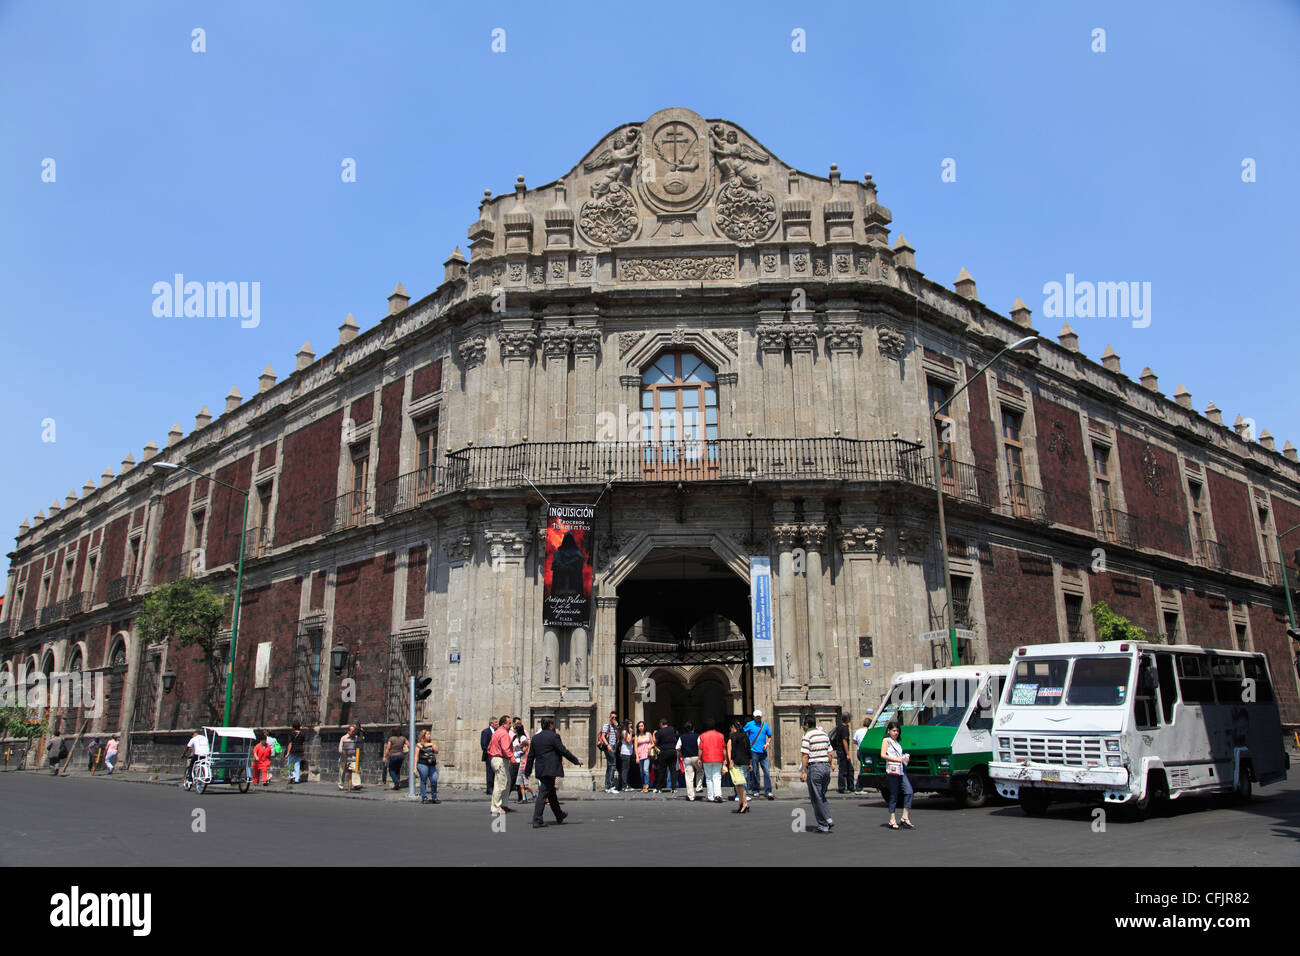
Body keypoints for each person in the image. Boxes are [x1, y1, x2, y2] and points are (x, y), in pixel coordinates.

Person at [524, 717, 581, 828]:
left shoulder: (535, 738)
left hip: (541, 769)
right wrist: (575, 760)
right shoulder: (554, 736)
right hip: (550, 769)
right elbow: (563, 750)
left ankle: (559, 815)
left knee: (551, 793)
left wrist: (527, 771)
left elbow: (530, 756)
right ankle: (537, 820)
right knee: (543, 793)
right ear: (550, 725)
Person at [800, 715, 834, 833]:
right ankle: (828, 818)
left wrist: (803, 771)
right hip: (826, 767)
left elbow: (805, 755)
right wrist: (831, 764)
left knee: (816, 797)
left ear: (807, 725)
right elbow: (830, 753)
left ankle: (823, 824)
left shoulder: (807, 736)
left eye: (803, 725)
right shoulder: (824, 734)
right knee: (822, 794)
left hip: (815, 767)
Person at [882, 721, 914, 829]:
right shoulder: (887, 740)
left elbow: (899, 756)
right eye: (894, 731)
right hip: (892, 771)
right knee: (894, 795)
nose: (895, 733)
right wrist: (896, 759)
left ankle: (905, 816)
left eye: (897, 731)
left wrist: (904, 758)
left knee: (909, 791)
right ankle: (892, 818)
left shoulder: (897, 743)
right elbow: (883, 755)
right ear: (889, 731)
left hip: (901, 770)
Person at [487, 713, 514, 815]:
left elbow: (489, 748)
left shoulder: (496, 732)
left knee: (507, 781)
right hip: (500, 759)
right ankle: (495, 807)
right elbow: (505, 748)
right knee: (500, 783)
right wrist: (512, 757)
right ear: (503, 724)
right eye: (509, 723)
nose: (510, 725)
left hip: (497, 758)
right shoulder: (503, 734)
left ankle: (504, 804)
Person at [744, 709, 774, 799]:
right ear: (754, 717)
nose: (758, 718)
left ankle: (768, 790)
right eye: (756, 717)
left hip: (763, 751)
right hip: (753, 751)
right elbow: (743, 733)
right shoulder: (749, 724)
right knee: (755, 771)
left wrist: (767, 744)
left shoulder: (765, 725)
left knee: (767, 772)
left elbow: (769, 736)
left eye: (759, 717)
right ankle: (755, 789)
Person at [698, 719, 726, 803]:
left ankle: (710, 796)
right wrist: (725, 759)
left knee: (709, 778)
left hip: (706, 758)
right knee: (717, 776)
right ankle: (718, 794)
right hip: (718, 758)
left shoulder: (703, 736)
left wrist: (699, 758)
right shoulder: (721, 735)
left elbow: (700, 749)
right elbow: (723, 748)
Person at [727, 720, 750, 811]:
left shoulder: (733, 736)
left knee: (739, 784)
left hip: (738, 761)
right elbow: (749, 749)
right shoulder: (745, 736)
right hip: (745, 761)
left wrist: (731, 761)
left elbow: (733, 750)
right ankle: (741, 802)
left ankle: (744, 803)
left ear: (733, 727)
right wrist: (750, 762)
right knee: (740, 783)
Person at [677, 721, 702, 800]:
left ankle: (691, 796)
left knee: (689, 777)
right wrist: (700, 757)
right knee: (700, 771)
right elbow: (700, 746)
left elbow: (677, 748)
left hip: (686, 758)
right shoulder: (697, 736)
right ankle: (698, 786)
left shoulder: (682, 737)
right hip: (696, 757)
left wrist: (681, 755)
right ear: (693, 728)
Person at [830, 714, 854, 793]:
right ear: (847, 720)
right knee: (843, 770)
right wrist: (848, 753)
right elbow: (844, 741)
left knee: (849, 769)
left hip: (840, 750)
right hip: (843, 751)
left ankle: (850, 786)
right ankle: (842, 788)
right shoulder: (844, 728)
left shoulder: (839, 727)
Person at [598, 711, 621, 793]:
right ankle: (611, 785)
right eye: (612, 717)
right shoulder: (606, 726)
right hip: (609, 746)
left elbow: (618, 737)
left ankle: (607, 786)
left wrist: (617, 727)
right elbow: (603, 736)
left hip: (614, 746)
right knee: (612, 765)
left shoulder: (615, 727)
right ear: (609, 717)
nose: (614, 719)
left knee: (610, 766)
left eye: (615, 717)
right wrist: (608, 745)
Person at [654, 717, 678, 794]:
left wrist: (654, 734)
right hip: (672, 750)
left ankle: (659, 788)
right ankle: (674, 788)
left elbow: (656, 742)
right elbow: (676, 734)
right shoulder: (672, 729)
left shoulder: (660, 732)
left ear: (661, 724)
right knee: (673, 770)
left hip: (664, 751)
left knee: (662, 770)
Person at [415, 729, 439, 804]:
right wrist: (414, 768)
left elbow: (436, 751)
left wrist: (432, 744)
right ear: (424, 736)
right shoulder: (419, 745)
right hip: (422, 764)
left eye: (429, 734)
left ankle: (434, 797)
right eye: (427, 734)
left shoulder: (432, 744)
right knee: (423, 780)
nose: (429, 736)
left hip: (431, 764)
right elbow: (416, 756)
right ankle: (424, 797)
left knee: (434, 780)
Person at [512, 720, 534, 802]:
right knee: (519, 781)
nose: (513, 730)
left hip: (521, 761)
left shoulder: (523, 738)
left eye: (514, 728)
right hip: (516, 759)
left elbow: (526, 747)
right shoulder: (515, 737)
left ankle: (529, 795)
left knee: (522, 782)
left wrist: (519, 747)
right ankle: (522, 797)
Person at [338, 724, 361, 791]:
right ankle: (341, 785)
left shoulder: (356, 738)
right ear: (348, 731)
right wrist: (343, 752)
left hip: (353, 757)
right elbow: (340, 748)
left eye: (354, 731)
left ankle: (356, 784)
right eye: (352, 731)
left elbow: (360, 742)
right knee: (342, 772)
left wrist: (361, 733)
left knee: (355, 769)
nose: (353, 732)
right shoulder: (344, 738)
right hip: (344, 757)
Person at [633, 720, 653, 793]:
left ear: (644, 727)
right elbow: (635, 746)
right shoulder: (636, 736)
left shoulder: (648, 734)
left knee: (646, 770)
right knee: (641, 772)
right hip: (640, 754)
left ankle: (646, 786)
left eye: (642, 726)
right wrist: (637, 756)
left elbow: (653, 743)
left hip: (647, 754)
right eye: (639, 726)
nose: (640, 727)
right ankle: (643, 785)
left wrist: (650, 746)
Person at [852, 718, 871, 792]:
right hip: (867, 752)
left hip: (859, 750)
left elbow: (854, 741)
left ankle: (859, 788)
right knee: (865, 769)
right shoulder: (869, 731)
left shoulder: (858, 731)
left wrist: (860, 743)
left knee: (863, 768)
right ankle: (858, 788)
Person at [480, 717, 498, 795]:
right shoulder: (486, 732)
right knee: (489, 772)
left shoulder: (497, 731)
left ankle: (494, 787)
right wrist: (489, 752)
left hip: (495, 755)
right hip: (489, 755)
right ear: (491, 723)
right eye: (495, 722)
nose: (497, 724)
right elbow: (484, 744)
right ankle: (489, 788)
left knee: (495, 771)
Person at [618, 720, 635, 792]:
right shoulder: (624, 732)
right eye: (629, 724)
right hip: (625, 752)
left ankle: (626, 784)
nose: (631, 725)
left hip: (629, 752)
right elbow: (628, 741)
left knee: (627, 769)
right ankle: (624, 785)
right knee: (625, 769)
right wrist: (631, 733)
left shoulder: (627, 732)